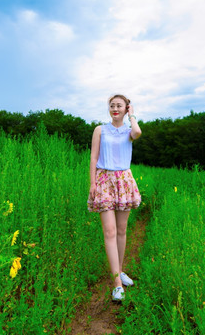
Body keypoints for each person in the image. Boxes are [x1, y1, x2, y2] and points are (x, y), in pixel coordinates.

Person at [87, 94, 142, 302]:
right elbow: (93, 156)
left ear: (126, 108)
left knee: (121, 230)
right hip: (104, 180)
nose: (115, 108)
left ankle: (120, 270)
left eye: (119, 105)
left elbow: (137, 132)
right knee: (109, 231)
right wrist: (92, 183)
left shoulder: (129, 131)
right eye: (112, 105)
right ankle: (117, 284)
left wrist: (132, 115)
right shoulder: (100, 130)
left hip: (124, 180)